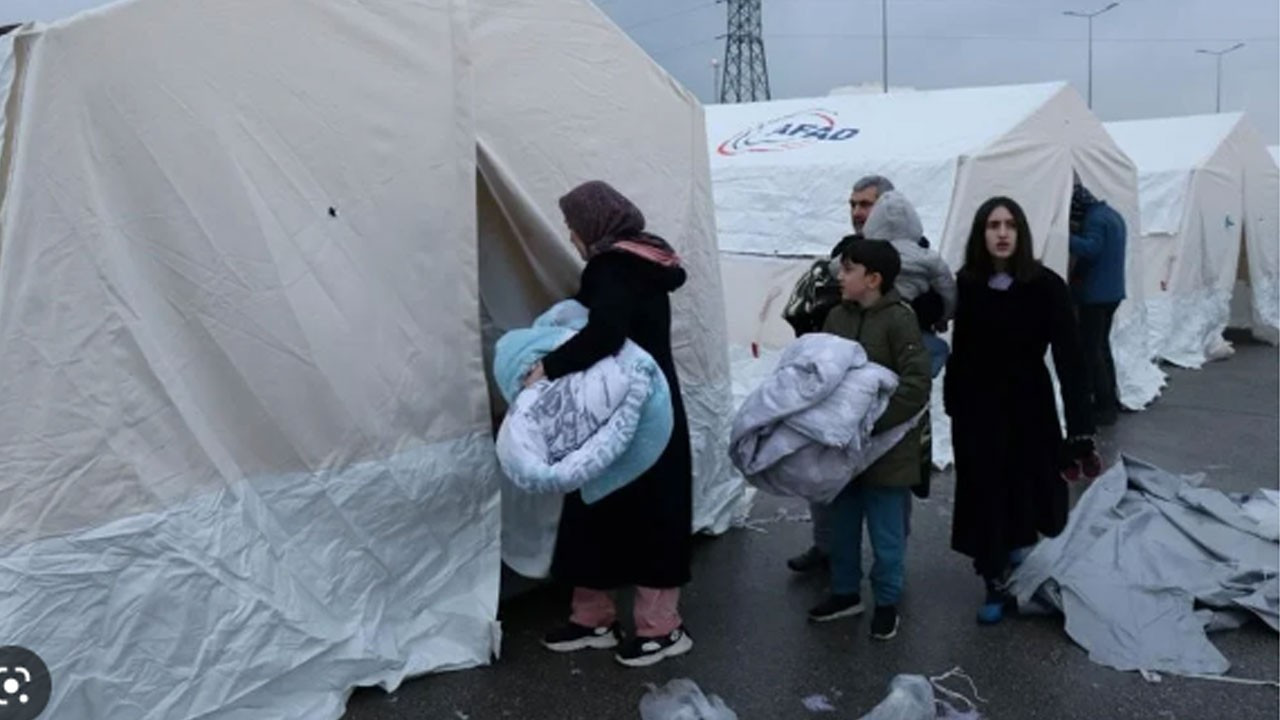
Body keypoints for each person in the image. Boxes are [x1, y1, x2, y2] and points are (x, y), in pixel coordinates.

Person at [529, 180, 694, 668]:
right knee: (624, 507)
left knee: (607, 503)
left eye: (571, 226)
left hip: (627, 407)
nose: (570, 236)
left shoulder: (613, 266)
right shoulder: (646, 258)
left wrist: (548, 367)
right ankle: (598, 616)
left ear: (592, 225)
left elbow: (605, 332)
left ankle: (659, 628)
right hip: (649, 403)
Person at [944, 197, 1096, 625]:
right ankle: (993, 578)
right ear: (982, 233)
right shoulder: (967, 284)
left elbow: (1071, 358)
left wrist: (1080, 428)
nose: (1003, 233)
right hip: (978, 410)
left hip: (1030, 406)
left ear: (1022, 232)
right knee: (986, 492)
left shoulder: (1046, 285)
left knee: (1028, 486)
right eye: (993, 224)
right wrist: (954, 402)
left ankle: (1022, 554)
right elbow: (960, 349)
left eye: (1010, 224)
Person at [807, 239, 930, 641]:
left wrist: (872, 425)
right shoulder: (835, 318)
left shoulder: (899, 320)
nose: (839, 276)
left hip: (887, 454)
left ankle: (888, 601)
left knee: (886, 535)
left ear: (873, 279)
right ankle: (844, 593)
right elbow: (821, 374)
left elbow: (916, 384)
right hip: (843, 453)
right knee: (842, 526)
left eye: (848, 269)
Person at [783, 174, 896, 574]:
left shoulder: (910, 253)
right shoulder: (843, 252)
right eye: (853, 204)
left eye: (866, 204)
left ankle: (888, 569)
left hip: (885, 393)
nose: (858, 212)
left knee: (886, 491)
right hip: (840, 389)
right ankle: (827, 550)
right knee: (827, 476)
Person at [1068, 180, 1127, 427]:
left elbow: (1092, 249)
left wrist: (1063, 236)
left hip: (1095, 296)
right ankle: (1110, 399)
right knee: (1102, 347)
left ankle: (1103, 406)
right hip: (1113, 293)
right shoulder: (1113, 215)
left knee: (1091, 351)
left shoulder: (1095, 220)